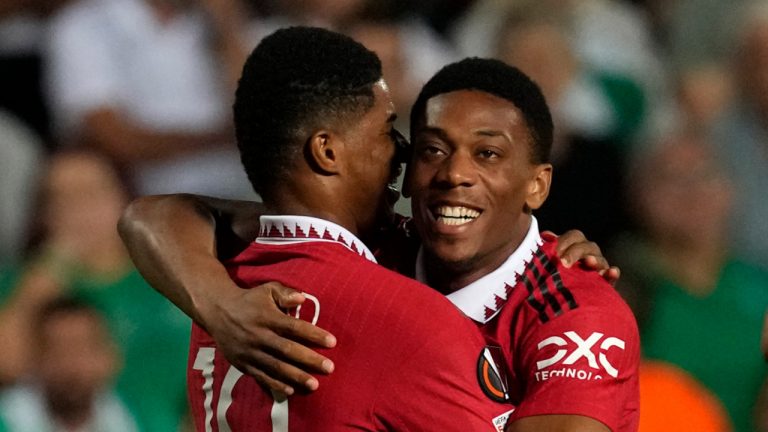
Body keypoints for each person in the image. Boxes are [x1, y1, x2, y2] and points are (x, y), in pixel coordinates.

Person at [121, 48, 638, 432]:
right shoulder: (380, 249)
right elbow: (157, 214)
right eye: (432, 149)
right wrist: (221, 306)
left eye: (487, 155)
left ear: (537, 184)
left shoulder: (577, 313)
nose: (454, 174)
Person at [185, 26, 515, 430]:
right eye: (385, 130)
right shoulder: (412, 322)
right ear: (327, 151)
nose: (403, 149)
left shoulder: (214, 298)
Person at [0, 150, 190, 431]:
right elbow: (6, 367)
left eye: (92, 192)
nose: (80, 208)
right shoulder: (22, 282)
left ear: (123, 197)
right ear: (43, 215)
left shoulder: (166, 276)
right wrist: (44, 278)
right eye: (62, 199)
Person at [611, 131, 768, 432]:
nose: (692, 192)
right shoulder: (618, 293)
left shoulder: (760, 288)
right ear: (637, 194)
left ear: (732, 189)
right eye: (671, 179)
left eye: (705, 174)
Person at [0, 297, 138, 432]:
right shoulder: (7, 418)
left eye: (82, 350)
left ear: (108, 357)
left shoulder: (138, 416)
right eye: (58, 350)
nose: (71, 364)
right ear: (34, 359)